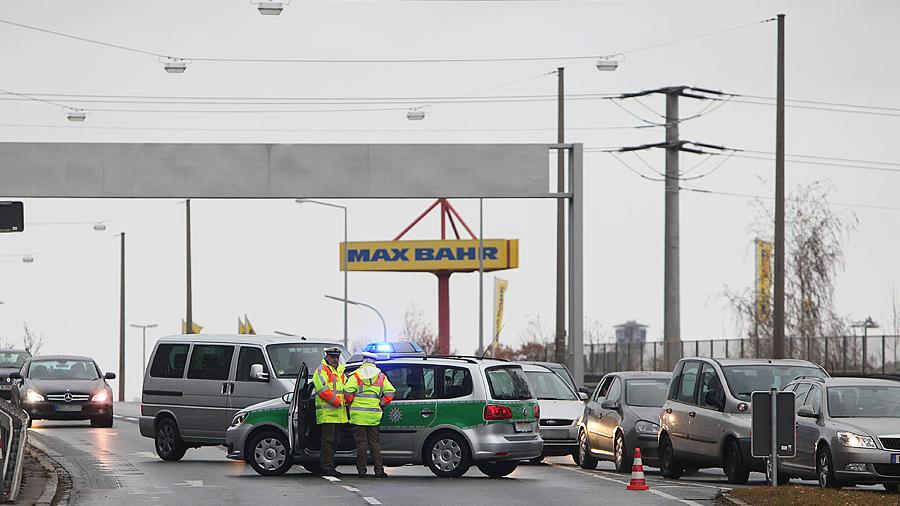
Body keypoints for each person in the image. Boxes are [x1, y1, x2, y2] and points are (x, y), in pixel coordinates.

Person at [343, 352, 395, 478]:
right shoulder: (381, 376)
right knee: (374, 443)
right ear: (374, 362)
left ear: (364, 362)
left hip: (358, 416)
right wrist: (381, 403)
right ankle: (379, 471)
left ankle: (361, 471)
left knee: (361, 444)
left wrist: (350, 401)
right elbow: (390, 392)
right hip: (373, 415)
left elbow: (347, 390)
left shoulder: (356, 375)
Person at [312, 347, 348, 476]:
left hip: (338, 413)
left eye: (337, 357)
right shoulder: (322, 370)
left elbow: (346, 388)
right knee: (328, 441)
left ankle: (329, 466)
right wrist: (336, 401)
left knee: (334, 441)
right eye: (332, 357)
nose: (335, 359)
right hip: (328, 413)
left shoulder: (340, 370)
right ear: (326, 356)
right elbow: (322, 389)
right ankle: (326, 467)